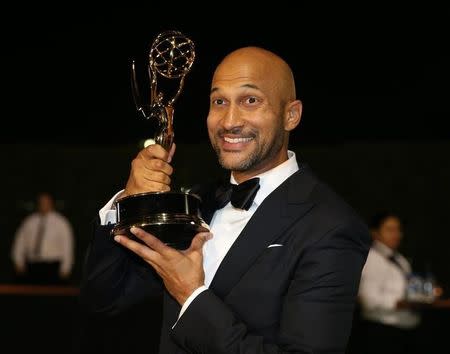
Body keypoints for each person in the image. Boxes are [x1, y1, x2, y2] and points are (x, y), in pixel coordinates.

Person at [80, 47, 371, 353]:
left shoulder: (331, 225)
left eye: (250, 101)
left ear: (291, 115)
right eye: (219, 101)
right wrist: (128, 200)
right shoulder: (194, 203)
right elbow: (104, 300)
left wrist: (191, 295)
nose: (229, 120)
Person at [358, 211, 420, 354]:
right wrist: (400, 303)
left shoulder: (400, 259)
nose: (397, 234)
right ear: (375, 233)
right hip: (382, 331)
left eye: (398, 230)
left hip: (404, 330)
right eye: (390, 230)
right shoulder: (371, 258)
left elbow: (407, 288)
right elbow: (368, 299)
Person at [11, 192, 74, 284]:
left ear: (51, 203)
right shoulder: (29, 221)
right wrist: (18, 261)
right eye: (41, 202)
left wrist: (66, 268)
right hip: (32, 265)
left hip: (52, 266)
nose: (43, 204)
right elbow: (19, 242)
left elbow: (67, 246)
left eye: (46, 202)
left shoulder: (61, 223)